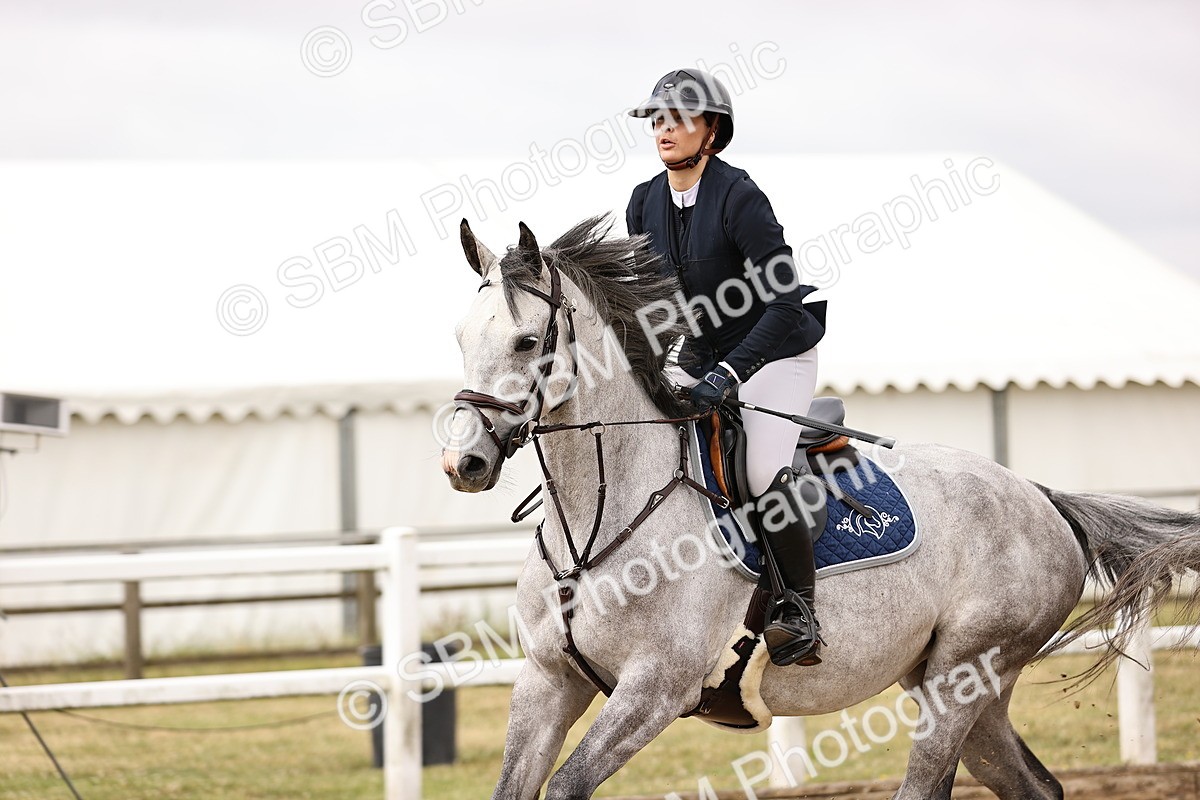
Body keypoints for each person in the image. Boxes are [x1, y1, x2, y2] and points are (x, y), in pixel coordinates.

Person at [625, 68, 828, 667]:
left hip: (777, 350)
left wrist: (730, 373)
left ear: (711, 131)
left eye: (678, 119)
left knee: (761, 468)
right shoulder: (643, 202)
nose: (664, 130)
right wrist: (649, 364)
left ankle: (799, 609)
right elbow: (655, 304)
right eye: (657, 120)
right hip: (704, 354)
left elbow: (784, 303)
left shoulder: (741, 197)